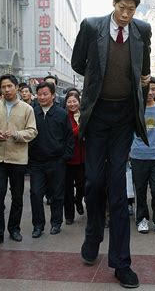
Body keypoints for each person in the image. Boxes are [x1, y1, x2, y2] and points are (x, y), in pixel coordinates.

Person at [71, 0, 151, 288]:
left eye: (132, 9)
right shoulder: (92, 27)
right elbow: (78, 63)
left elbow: (142, 71)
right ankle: (93, 235)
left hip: (123, 119)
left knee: (118, 189)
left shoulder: (143, 30)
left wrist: (143, 85)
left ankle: (121, 263)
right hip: (97, 115)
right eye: (122, 8)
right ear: (113, 3)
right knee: (94, 182)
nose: (127, 14)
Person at [0, 74, 38, 247]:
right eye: (4, 87)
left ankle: (14, 229)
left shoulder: (26, 108)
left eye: (10, 86)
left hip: (18, 158)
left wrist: (17, 135)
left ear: (16, 87)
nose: (7, 90)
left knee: (17, 196)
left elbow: (32, 131)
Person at [28, 82, 73, 238]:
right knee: (35, 193)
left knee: (57, 194)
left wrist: (65, 157)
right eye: (39, 94)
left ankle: (56, 223)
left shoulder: (61, 114)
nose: (42, 97)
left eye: (45, 94)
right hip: (37, 162)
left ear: (53, 95)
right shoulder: (32, 113)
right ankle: (38, 225)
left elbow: (69, 138)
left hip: (57, 161)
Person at [130, 77, 155, 235]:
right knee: (140, 189)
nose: (150, 92)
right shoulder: (134, 109)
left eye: (153, 89)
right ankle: (142, 219)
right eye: (147, 89)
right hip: (138, 155)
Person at [64, 92, 86, 225]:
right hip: (68, 158)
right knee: (67, 189)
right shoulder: (64, 116)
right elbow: (70, 134)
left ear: (79, 102)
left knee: (82, 185)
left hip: (84, 157)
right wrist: (81, 128)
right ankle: (69, 215)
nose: (72, 104)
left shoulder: (84, 115)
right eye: (69, 102)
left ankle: (79, 200)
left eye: (74, 101)